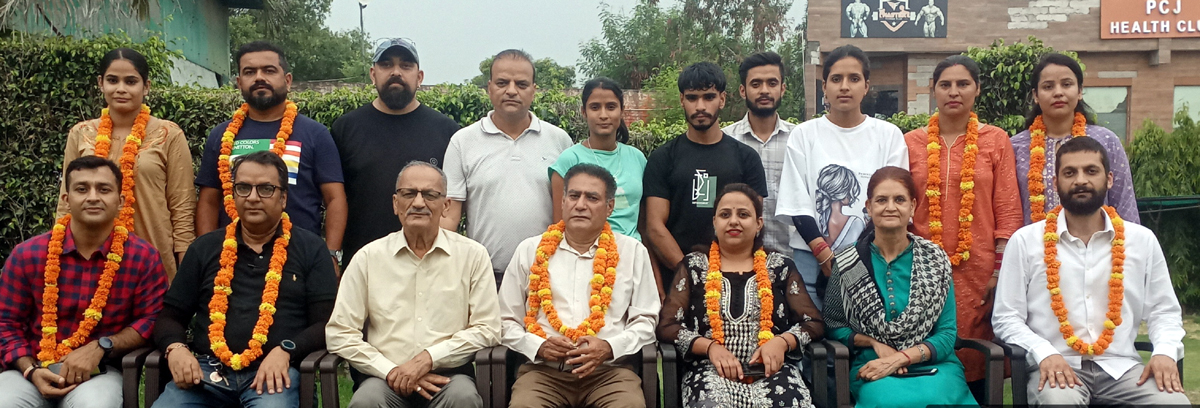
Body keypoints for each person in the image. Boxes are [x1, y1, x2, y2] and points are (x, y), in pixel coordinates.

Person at [993, 136, 1189, 406]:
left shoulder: (1141, 240)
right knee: (1058, 402)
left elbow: (1163, 312)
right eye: (1070, 173)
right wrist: (1043, 352)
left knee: (1173, 404)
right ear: (1056, 183)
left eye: (1091, 171)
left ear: (1109, 179)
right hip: (1056, 368)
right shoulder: (1025, 241)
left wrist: (1165, 352)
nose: (1080, 180)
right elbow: (1006, 318)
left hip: (1122, 369)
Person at [153, 151, 339, 407]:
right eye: (243, 188)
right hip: (206, 374)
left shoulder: (311, 249)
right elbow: (170, 316)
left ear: (283, 198)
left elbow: (326, 323)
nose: (252, 198)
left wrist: (286, 350)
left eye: (265, 189)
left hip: (273, 374)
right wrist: (176, 348)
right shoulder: (205, 248)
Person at [327, 161, 500, 408]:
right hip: (383, 378)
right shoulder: (368, 258)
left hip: (448, 378)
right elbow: (339, 333)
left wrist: (427, 359)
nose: (418, 203)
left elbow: (488, 328)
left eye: (430, 195)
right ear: (395, 204)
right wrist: (391, 371)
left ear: (446, 206)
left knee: (463, 397)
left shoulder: (472, 256)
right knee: (366, 401)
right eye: (409, 194)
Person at [1, 156, 167, 408]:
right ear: (66, 200)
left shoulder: (142, 258)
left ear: (120, 201)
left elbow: (151, 320)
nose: (92, 197)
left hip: (97, 374)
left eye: (103, 189)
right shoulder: (28, 254)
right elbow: (5, 323)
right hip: (30, 369)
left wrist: (101, 347)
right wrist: (31, 370)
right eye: (81, 189)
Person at [903, 55, 1022, 402]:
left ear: (977, 90)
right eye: (945, 84)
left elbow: (1008, 210)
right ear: (933, 90)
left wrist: (999, 272)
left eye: (963, 84)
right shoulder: (910, 142)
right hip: (922, 271)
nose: (954, 92)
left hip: (982, 273)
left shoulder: (996, 140)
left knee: (981, 360)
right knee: (924, 359)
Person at [498, 164, 660, 408]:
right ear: (562, 201)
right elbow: (504, 320)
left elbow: (646, 320)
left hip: (610, 374)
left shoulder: (632, 252)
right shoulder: (530, 250)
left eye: (592, 197)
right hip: (544, 375)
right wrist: (538, 346)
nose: (581, 205)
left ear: (610, 207)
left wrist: (608, 347)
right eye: (574, 196)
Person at [657, 183, 823, 407]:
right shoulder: (695, 265)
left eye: (743, 214)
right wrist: (709, 347)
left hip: (773, 371)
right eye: (725, 214)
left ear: (758, 224)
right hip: (710, 371)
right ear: (715, 222)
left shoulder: (780, 267)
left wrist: (782, 342)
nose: (733, 221)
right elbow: (668, 325)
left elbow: (813, 322)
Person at [825, 166, 977, 408]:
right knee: (888, 401)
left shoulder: (935, 259)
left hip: (933, 366)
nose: (890, 207)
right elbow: (834, 326)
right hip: (873, 365)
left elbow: (947, 334)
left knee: (937, 399)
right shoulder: (847, 261)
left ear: (913, 207)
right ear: (868, 206)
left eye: (899, 200)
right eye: (881, 200)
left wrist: (901, 357)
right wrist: (873, 343)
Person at [195, 40, 348, 272]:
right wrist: (206, 256)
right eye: (249, 72)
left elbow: (335, 200)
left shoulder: (316, 134)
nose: (259, 77)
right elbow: (208, 201)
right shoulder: (221, 136)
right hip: (231, 261)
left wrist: (331, 255)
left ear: (287, 80)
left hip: (300, 262)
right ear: (238, 83)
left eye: (268, 70)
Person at [776, 45, 908, 309]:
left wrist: (853, 261)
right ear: (824, 86)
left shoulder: (888, 135)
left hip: (873, 258)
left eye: (854, 79)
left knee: (861, 340)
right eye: (836, 79)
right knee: (809, 339)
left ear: (867, 86)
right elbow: (798, 203)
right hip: (810, 261)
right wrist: (824, 256)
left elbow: (894, 200)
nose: (844, 87)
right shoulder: (804, 135)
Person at [55, 47, 196, 281]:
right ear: (101, 83)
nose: (121, 89)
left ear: (146, 86)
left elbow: (182, 206)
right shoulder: (81, 133)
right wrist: (58, 248)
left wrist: (186, 270)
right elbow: (66, 200)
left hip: (153, 257)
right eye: (112, 80)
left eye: (131, 81)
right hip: (89, 256)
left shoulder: (168, 134)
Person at [441, 49, 573, 285]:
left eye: (521, 84)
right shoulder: (463, 142)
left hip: (547, 276)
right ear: (489, 87)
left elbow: (570, 210)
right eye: (502, 82)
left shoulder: (559, 141)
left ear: (534, 90)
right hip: (483, 277)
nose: (511, 90)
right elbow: (449, 216)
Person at [331, 38, 461, 267]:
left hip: (430, 264)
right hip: (363, 265)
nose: (396, 72)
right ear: (373, 74)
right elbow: (335, 200)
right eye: (387, 65)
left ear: (419, 77)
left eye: (406, 65)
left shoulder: (447, 131)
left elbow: (451, 205)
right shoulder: (346, 129)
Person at [643, 61, 768, 299]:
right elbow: (655, 227)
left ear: (722, 99)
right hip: (678, 281)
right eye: (692, 98)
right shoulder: (663, 157)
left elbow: (752, 223)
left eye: (708, 97)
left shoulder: (746, 158)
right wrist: (691, 274)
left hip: (737, 281)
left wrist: (724, 275)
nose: (700, 106)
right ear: (682, 100)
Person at [1011, 52, 1139, 225]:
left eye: (1066, 84)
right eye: (1048, 87)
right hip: (1035, 248)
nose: (1058, 93)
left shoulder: (1106, 140)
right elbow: (1008, 211)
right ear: (1035, 95)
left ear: (1079, 91)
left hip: (1098, 246)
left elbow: (1124, 203)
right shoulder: (1015, 147)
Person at [549, 78, 645, 240]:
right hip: (586, 255)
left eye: (611, 107)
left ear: (622, 111)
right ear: (584, 112)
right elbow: (560, 224)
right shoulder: (569, 160)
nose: (603, 115)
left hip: (632, 255)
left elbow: (644, 220)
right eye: (595, 107)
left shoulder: (637, 158)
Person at [722, 52, 796, 255]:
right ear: (743, 91)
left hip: (792, 258)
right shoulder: (726, 141)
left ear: (782, 88)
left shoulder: (799, 141)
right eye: (756, 84)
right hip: (739, 259)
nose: (764, 90)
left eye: (772, 83)